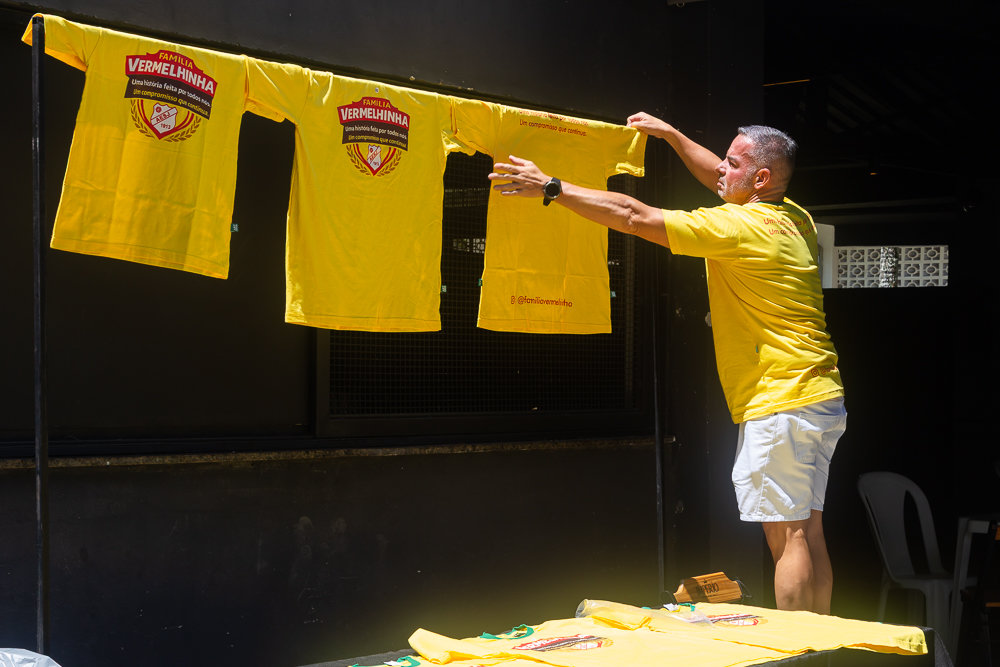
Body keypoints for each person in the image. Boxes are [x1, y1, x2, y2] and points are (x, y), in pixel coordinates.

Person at [488, 112, 846, 614]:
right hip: (821, 396)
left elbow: (634, 216)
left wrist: (551, 186)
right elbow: (720, 176)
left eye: (732, 163)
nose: (720, 169)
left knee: (788, 538)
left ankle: (802, 646)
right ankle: (826, 640)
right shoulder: (795, 218)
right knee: (809, 531)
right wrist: (674, 137)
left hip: (780, 399)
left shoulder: (737, 227)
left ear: (761, 179)